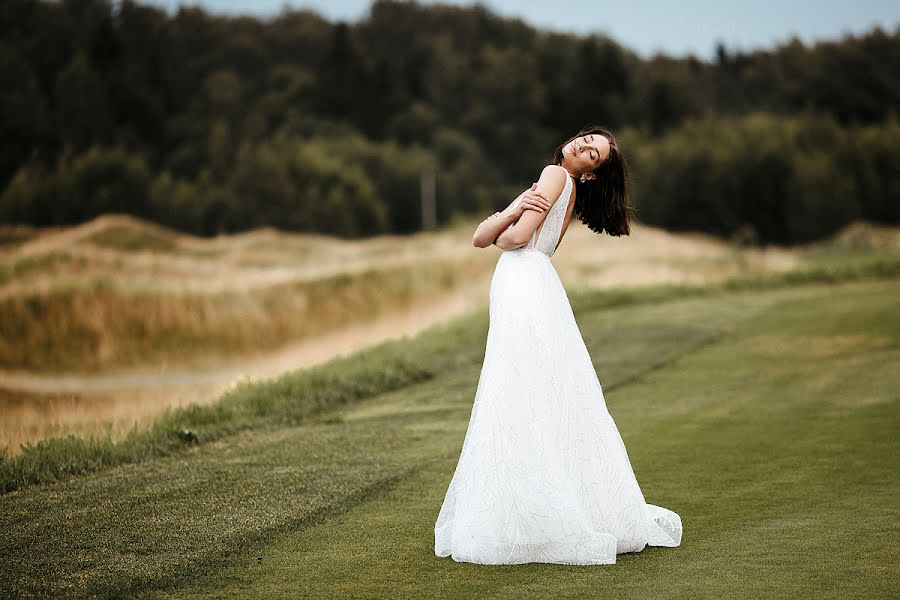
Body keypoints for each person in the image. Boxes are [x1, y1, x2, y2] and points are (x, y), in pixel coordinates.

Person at [434, 125, 683, 565]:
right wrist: (515, 207)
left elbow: (508, 239)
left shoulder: (554, 175)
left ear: (589, 174)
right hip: (533, 285)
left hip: (523, 284)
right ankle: (548, 512)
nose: (583, 147)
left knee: (517, 392)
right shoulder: (564, 187)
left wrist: (511, 214)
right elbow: (480, 237)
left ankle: (533, 518)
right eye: (587, 141)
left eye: (593, 154)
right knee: (542, 393)